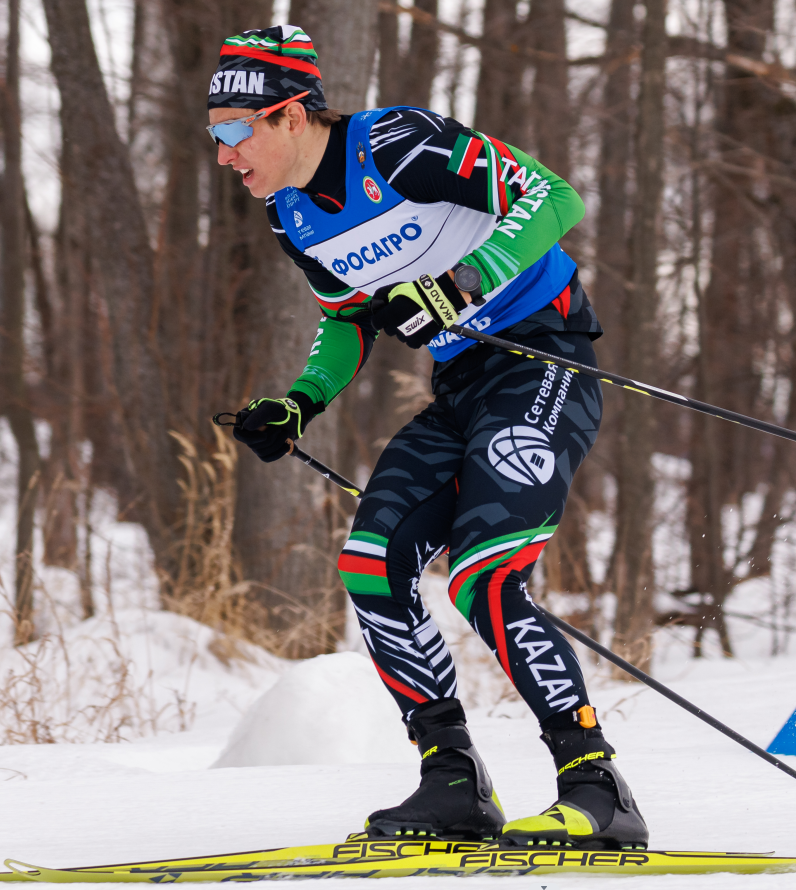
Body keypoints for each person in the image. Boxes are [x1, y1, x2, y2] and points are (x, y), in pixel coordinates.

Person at [208, 26, 647, 850]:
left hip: (542, 358)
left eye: (237, 132)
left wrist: (470, 277)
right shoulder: (291, 214)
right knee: (371, 564)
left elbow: (554, 196)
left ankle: (597, 788)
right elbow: (346, 321)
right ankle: (452, 781)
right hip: (461, 386)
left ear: (293, 116)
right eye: (215, 137)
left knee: (485, 576)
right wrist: (299, 403)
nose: (227, 155)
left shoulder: (400, 144)